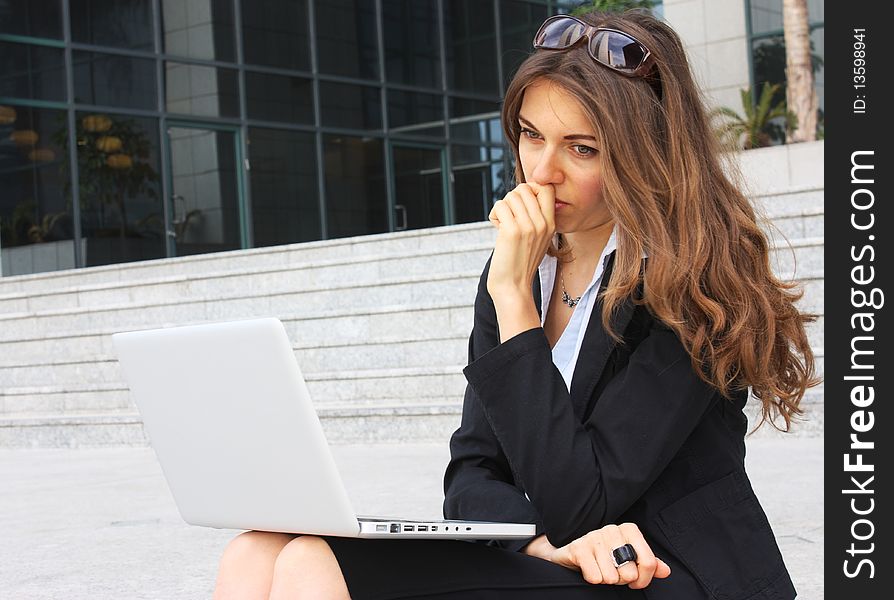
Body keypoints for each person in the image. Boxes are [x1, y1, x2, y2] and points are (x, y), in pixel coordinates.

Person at [212, 9, 818, 599]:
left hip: (664, 569)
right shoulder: (520, 266)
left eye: (582, 149)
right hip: (567, 555)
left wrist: (512, 301)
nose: (542, 171)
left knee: (316, 564)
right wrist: (537, 541)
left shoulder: (693, 280)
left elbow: (584, 497)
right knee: (257, 549)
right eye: (532, 135)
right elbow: (469, 475)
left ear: (644, 155)